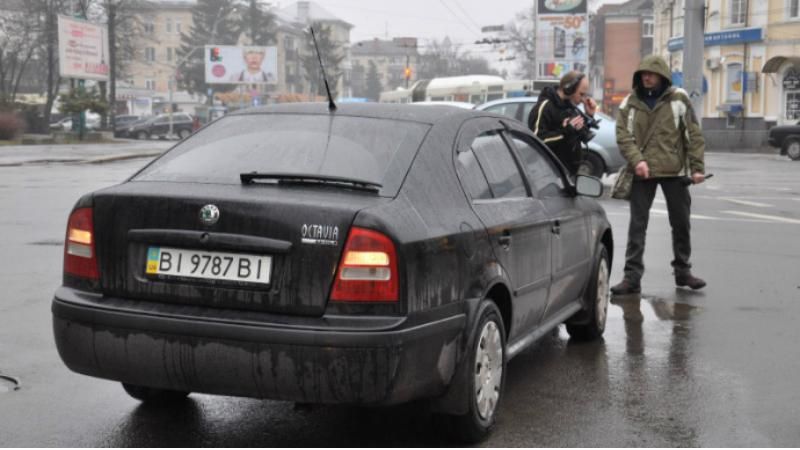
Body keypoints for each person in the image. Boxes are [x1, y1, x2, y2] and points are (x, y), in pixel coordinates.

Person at [610, 55, 707, 295]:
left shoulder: (678, 99)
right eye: (643, 73)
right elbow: (623, 136)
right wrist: (637, 161)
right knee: (637, 226)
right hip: (643, 171)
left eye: (651, 74)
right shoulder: (629, 103)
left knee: (681, 223)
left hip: (674, 171)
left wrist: (697, 167)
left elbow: (693, 135)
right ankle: (632, 278)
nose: (646, 77)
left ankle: (683, 272)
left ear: (662, 76)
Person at [528, 71, 597, 176]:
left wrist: (589, 115)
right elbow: (537, 141)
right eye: (581, 94)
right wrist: (566, 131)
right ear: (569, 88)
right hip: (549, 176)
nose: (583, 100)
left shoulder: (570, 107)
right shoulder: (545, 107)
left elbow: (578, 135)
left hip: (568, 174)